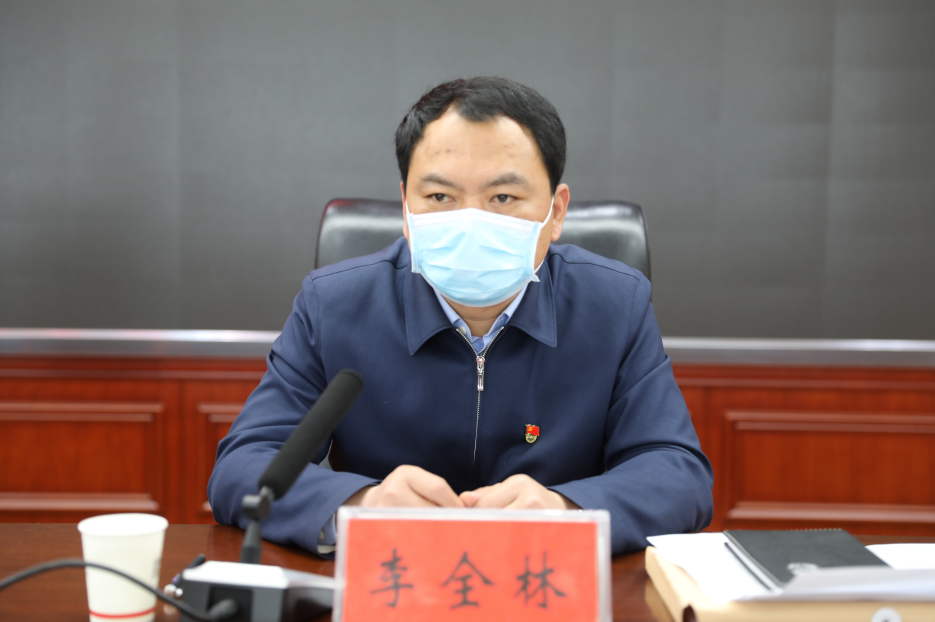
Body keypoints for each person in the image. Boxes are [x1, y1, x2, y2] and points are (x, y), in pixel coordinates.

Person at [209, 77, 713, 557]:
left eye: (503, 197)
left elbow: (677, 474)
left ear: (556, 212)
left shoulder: (615, 304)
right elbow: (244, 466)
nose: (471, 220)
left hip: (548, 579)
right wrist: (362, 505)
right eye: (440, 197)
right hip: (391, 580)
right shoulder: (334, 304)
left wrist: (568, 510)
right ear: (406, 208)